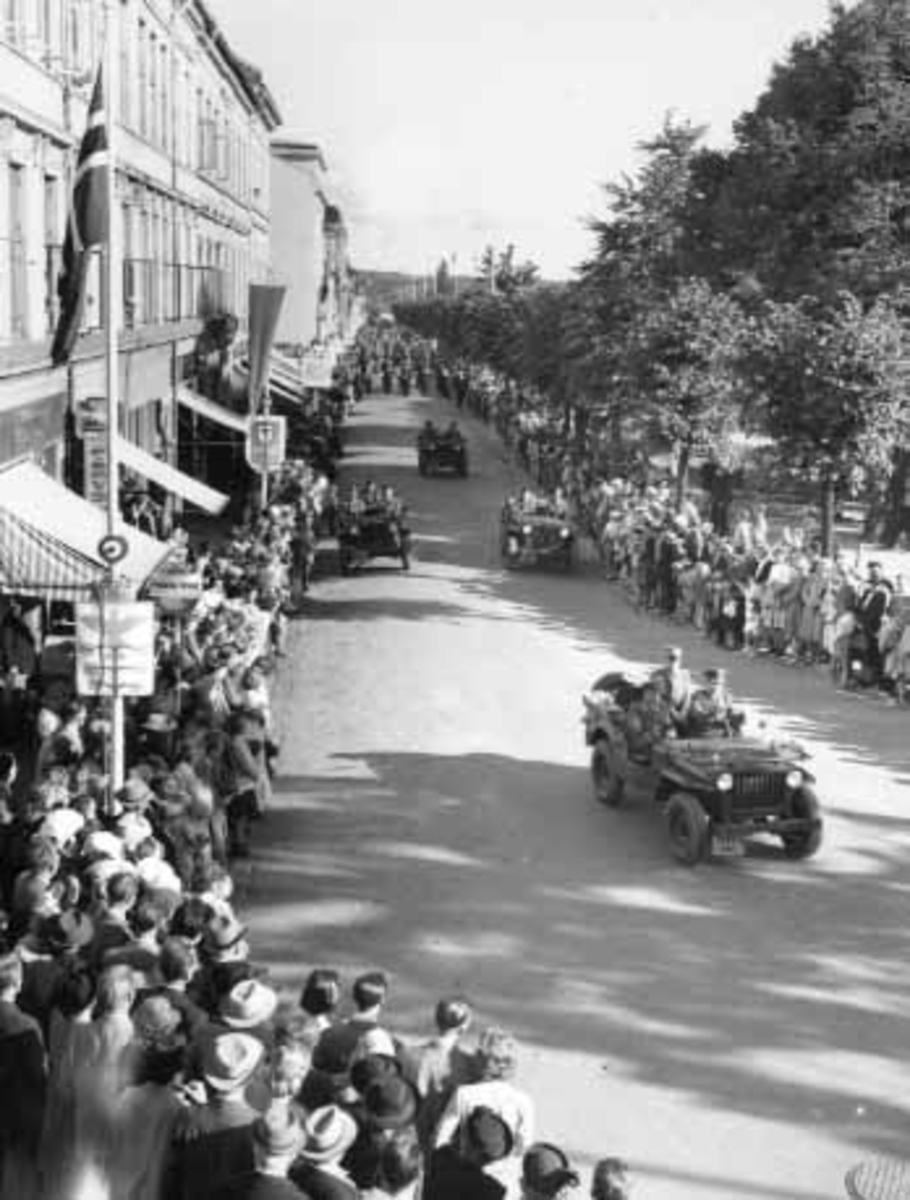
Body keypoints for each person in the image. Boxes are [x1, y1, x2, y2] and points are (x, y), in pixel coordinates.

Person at [685, 668, 738, 736]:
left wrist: (735, 717)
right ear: (706, 683)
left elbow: (729, 713)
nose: (715, 687)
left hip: (721, 729)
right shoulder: (697, 696)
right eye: (713, 683)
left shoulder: (726, 696)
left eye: (718, 684)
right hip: (701, 731)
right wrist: (711, 714)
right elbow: (697, 715)